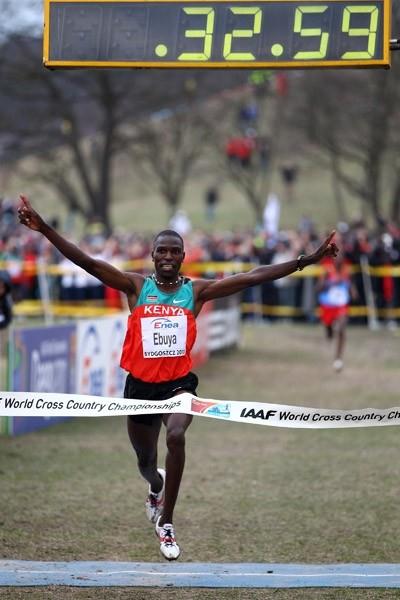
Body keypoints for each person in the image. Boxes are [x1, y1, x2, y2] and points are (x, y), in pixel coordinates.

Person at [17, 194, 338, 561]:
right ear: (152, 256)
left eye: (174, 252)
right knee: (144, 461)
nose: (168, 257)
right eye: (162, 252)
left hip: (179, 385)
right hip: (139, 387)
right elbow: (87, 262)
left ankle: (166, 522)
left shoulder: (195, 291)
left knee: (177, 435)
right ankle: (156, 487)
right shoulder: (135, 286)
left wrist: (305, 260)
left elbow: (251, 277)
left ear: (182, 257)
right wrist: (43, 229)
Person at [317, 251, 355, 372]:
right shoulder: (327, 269)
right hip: (328, 304)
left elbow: (350, 285)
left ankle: (338, 358)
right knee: (329, 329)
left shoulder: (346, 270)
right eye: (337, 257)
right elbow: (318, 287)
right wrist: (331, 282)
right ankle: (329, 333)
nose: (339, 259)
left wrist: (353, 291)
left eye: (341, 256)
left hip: (341, 304)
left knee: (341, 327)